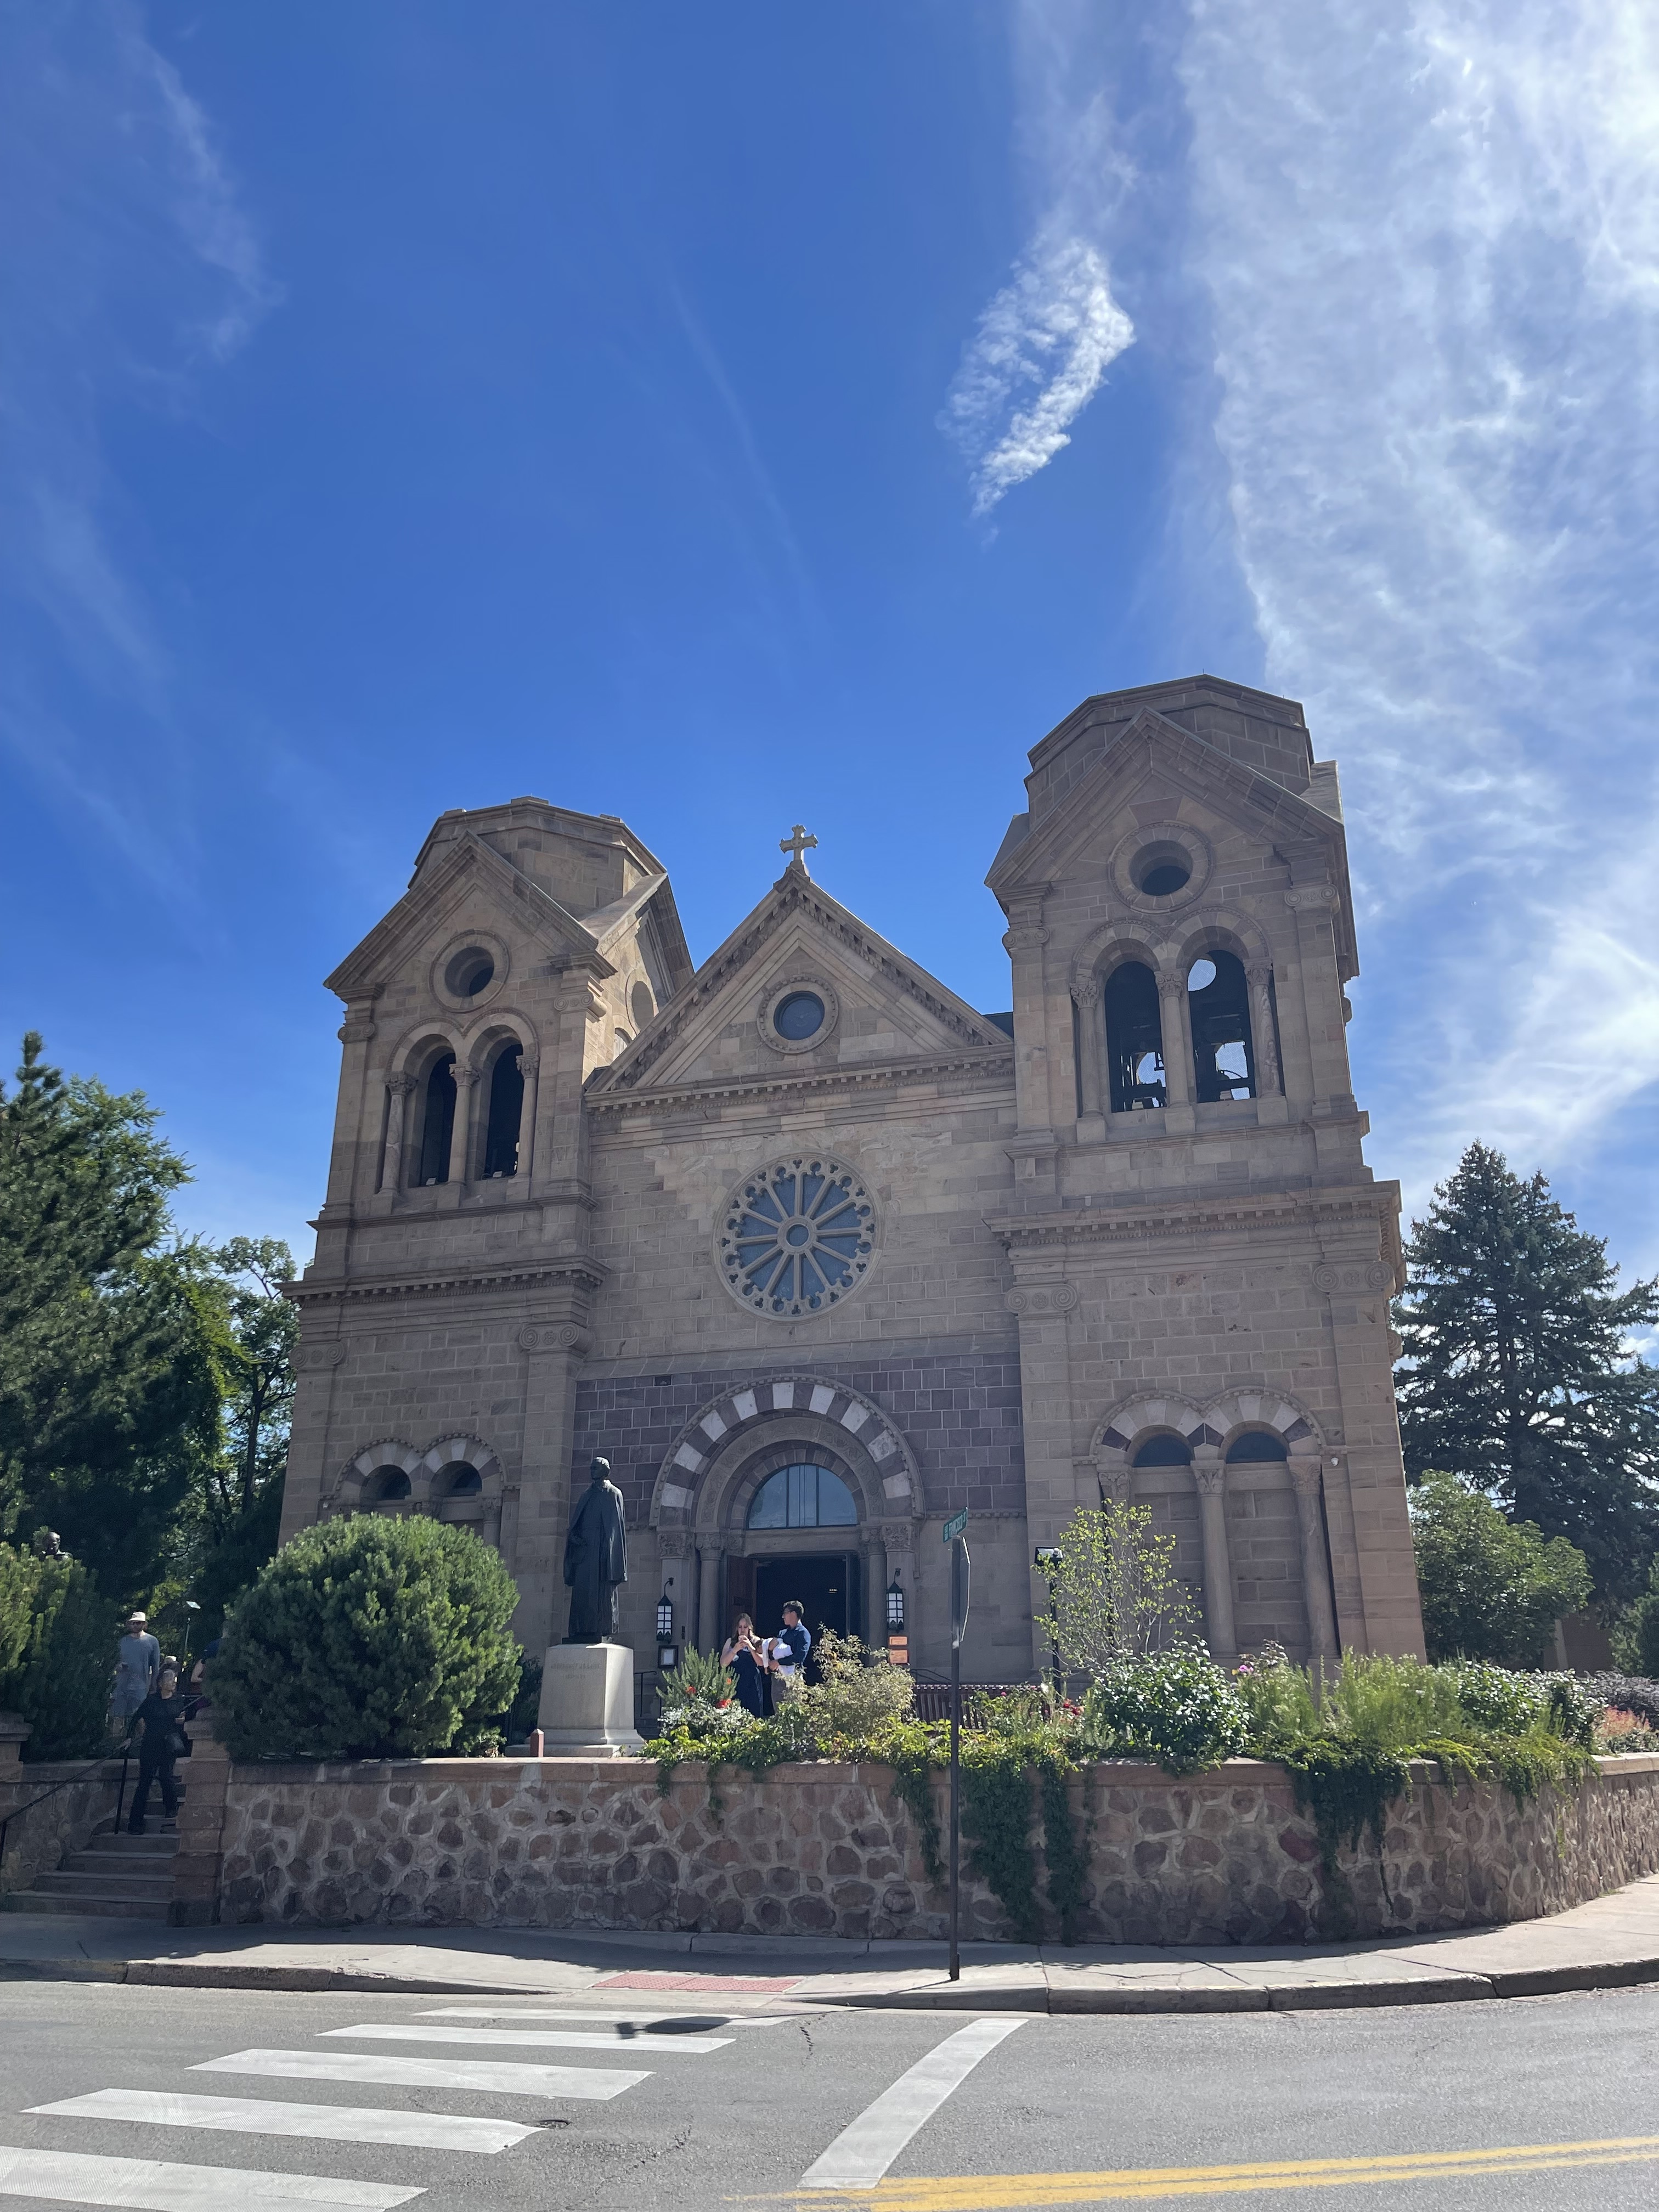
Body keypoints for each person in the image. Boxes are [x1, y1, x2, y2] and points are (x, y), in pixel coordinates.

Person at [127, 1663, 190, 1833]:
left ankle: (171, 1806)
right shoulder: (151, 1701)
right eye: (169, 1679)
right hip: (150, 1744)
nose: (173, 1682)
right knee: (145, 1782)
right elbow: (136, 1718)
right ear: (160, 1683)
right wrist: (129, 1737)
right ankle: (135, 1823)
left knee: (166, 1776)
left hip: (168, 1745)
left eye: (174, 1680)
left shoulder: (179, 1700)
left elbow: (184, 1720)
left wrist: (181, 1722)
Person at [110, 1612, 160, 1731]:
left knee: (139, 1717)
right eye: (133, 1623)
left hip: (141, 1686)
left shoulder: (152, 1641)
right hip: (121, 1685)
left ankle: (138, 1740)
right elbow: (112, 1661)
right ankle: (116, 1740)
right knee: (118, 1716)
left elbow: (156, 1666)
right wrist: (118, 1667)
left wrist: (154, 1685)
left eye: (139, 1623)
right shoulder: (122, 1641)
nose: (136, 1625)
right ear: (129, 1625)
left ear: (144, 1624)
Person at [720, 1614, 770, 1718]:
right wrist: (734, 1650)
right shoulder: (730, 1642)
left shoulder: (756, 1641)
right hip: (735, 1681)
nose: (742, 1630)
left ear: (750, 1628)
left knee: (754, 1713)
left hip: (752, 1681)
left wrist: (751, 1648)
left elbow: (762, 1663)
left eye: (745, 1627)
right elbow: (723, 1663)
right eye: (740, 1627)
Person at [768, 1601, 812, 1692]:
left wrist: (779, 1662)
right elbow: (774, 1651)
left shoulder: (803, 1633)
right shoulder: (782, 1633)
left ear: (794, 1614)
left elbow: (799, 1657)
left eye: (785, 1613)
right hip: (778, 1678)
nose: (783, 1617)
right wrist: (770, 1649)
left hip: (793, 1678)